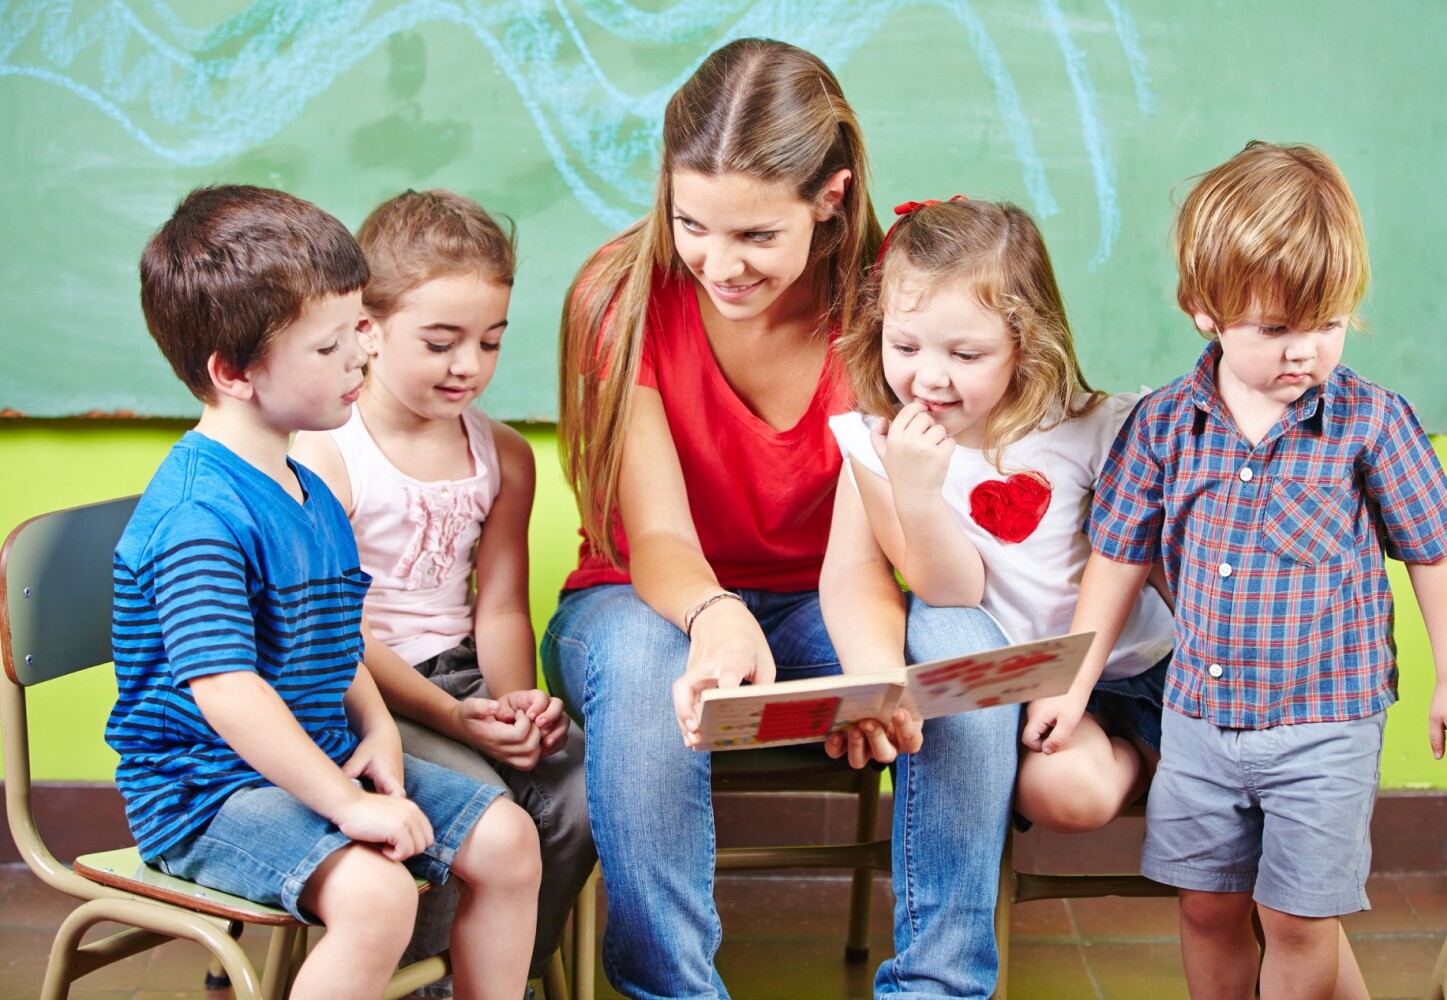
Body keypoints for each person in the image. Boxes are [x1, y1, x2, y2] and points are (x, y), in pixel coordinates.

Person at [543, 37, 1019, 999]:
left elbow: (862, 559)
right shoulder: (620, 297)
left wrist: (875, 677)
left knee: (962, 639)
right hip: (647, 603)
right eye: (693, 224)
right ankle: (672, 990)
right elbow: (661, 539)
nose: (720, 263)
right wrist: (713, 615)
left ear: (831, 197)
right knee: (644, 661)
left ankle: (937, 986)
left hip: (825, 603)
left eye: (758, 236)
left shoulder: (892, 305)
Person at [1074, 141, 1447, 999]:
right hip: (1198, 722)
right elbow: (1117, 561)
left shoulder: (1369, 424)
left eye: (1329, 324)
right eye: (1275, 329)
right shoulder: (1162, 427)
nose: (1304, 351)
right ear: (1204, 310)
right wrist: (1071, 684)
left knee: (1301, 919)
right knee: (1206, 908)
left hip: (1326, 726)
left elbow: (1437, 549)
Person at [108, 185, 540, 1000]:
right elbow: (227, 693)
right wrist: (348, 802)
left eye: (362, 333)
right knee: (376, 897)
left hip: (311, 758)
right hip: (208, 792)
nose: (360, 359)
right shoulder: (201, 512)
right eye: (332, 346)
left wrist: (376, 729)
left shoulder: (301, 482)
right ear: (234, 372)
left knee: (510, 840)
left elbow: (332, 641)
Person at [291, 189, 595, 989]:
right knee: (480, 808)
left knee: (582, 790)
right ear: (368, 327)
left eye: (490, 342)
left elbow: (496, 605)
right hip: (355, 691)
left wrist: (515, 702)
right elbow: (336, 636)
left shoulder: (504, 456)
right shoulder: (328, 457)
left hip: (458, 676)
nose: (470, 366)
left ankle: (499, 971)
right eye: (441, 341)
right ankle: (424, 978)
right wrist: (457, 718)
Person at [824, 196, 1173, 832]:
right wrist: (918, 493)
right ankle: (1152, 766)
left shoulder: (1091, 428)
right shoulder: (878, 448)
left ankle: (1167, 749)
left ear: (1026, 341)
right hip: (1019, 692)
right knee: (1068, 795)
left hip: (1141, 665)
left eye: (965, 355)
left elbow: (1149, 559)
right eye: (904, 346)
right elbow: (952, 591)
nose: (929, 378)